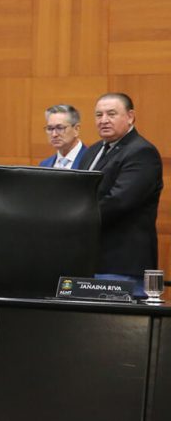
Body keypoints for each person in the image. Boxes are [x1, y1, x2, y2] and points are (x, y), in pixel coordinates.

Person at [80, 93, 163, 287]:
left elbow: (119, 202)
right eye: (98, 115)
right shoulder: (92, 151)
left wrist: (74, 219)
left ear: (130, 116)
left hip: (121, 263)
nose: (104, 120)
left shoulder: (142, 152)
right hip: (89, 261)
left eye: (111, 114)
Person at [39, 104, 89, 169]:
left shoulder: (92, 160)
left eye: (60, 128)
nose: (54, 134)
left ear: (76, 129)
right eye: (50, 128)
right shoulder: (44, 165)